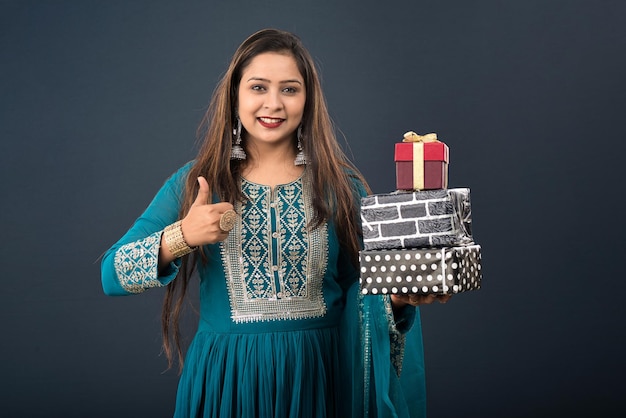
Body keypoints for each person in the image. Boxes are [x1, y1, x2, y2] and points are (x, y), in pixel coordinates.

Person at [101, 28, 447, 418]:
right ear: (235, 96)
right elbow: (111, 275)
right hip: (228, 383)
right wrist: (182, 236)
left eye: (289, 89)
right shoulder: (197, 182)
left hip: (320, 379)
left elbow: (365, 292)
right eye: (258, 87)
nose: (273, 104)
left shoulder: (341, 185)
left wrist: (398, 300)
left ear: (307, 100)